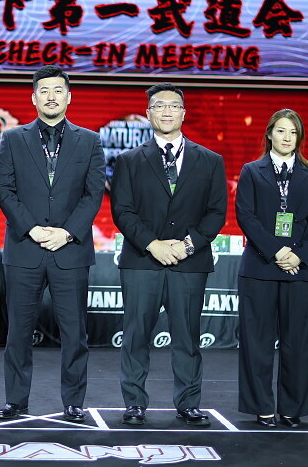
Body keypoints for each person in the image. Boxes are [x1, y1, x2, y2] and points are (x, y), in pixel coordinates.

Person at [110, 83, 227, 427]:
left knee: (187, 337)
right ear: (148, 114)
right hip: (141, 261)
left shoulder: (210, 161)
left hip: (189, 263)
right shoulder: (129, 160)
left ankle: (188, 403)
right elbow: (122, 211)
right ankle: (134, 403)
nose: (166, 111)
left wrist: (187, 245)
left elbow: (216, 213)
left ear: (183, 113)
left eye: (173, 106)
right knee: (136, 336)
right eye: (159, 106)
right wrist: (153, 245)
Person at [0, 66, 105, 423]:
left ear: (69, 96)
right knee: (18, 332)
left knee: (75, 334)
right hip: (24, 249)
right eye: (44, 90)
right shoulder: (13, 138)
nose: (51, 96)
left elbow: (93, 194)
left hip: (70, 250)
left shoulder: (90, 140)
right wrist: (32, 229)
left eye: (58, 90)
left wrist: (66, 233)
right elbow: (4, 189)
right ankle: (15, 401)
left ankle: (73, 402)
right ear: (34, 97)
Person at [235, 108, 308, 428]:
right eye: (281, 131)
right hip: (260, 267)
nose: (287, 137)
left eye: (293, 132)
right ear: (269, 134)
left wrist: (299, 255)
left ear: (299, 138)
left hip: (300, 270)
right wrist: (277, 251)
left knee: (297, 343)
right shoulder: (251, 171)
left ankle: (291, 407)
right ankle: (261, 406)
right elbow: (246, 216)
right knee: (257, 342)